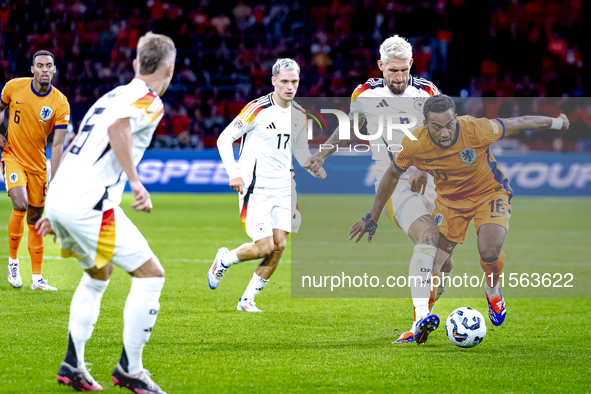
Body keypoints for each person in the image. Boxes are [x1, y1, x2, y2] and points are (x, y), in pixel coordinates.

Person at [349, 94, 570, 338]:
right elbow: (391, 175)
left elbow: (519, 122)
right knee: (435, 265)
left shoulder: (476, 128)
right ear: (425, 125)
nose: (444, 132)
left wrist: (556, 122)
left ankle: (492, 288)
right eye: (436, 127)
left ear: (455, 118)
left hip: (490, 193)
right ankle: (420, 324)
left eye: (449, 124)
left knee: (489, 250)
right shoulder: (413, 143)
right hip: (450, 205)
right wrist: (373, 216)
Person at [36, 32, 176, 393]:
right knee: (151, 275)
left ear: (134, 65)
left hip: (64, 193)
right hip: (89, 202)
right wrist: (136, 182)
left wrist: (55, 205)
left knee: (100, 273)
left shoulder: (112, 94)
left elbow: (79, 142)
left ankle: (73, 364)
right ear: (170, 69)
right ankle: (131, 368)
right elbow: (119, 129)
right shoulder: (150, 100)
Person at [304, 35, 452, 344]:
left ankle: (421, 318)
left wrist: (424, 167)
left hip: (430, 177)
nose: (398, 78)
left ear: (411, 64)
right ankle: (420, 320)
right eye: (392, 72)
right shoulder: (364, 95)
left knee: (445, 261)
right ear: (381, 66)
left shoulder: (428, 92)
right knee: (426, 239)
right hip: (392, 180)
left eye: (403, 71)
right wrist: (322, 153)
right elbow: (348, 127)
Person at [208, 58, 326, 312]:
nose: (290, 87)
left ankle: (247, 299)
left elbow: (298, 150)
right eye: (284, 81)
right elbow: (224, 139)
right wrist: (234, 173)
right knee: (264, 246)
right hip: (255, 189)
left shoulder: (301, 114)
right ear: (273, 81)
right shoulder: (257, 109)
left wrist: (312, 165)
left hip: (285, 188)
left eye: (294, 81)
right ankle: (224, 260)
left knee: (279, 246)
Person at [0, 50, 70, 290]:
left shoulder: (60, 103)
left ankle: (37, 279)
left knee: (35, 220)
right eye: (39, 65)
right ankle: (12, 262)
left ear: (53, 70)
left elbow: (58, 145)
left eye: (48, 66)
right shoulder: (14, 87)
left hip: (38, 165)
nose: (44, 70)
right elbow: (0, 108)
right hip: (12, 156)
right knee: (20, 204)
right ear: (32, 69)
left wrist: (56, 180)